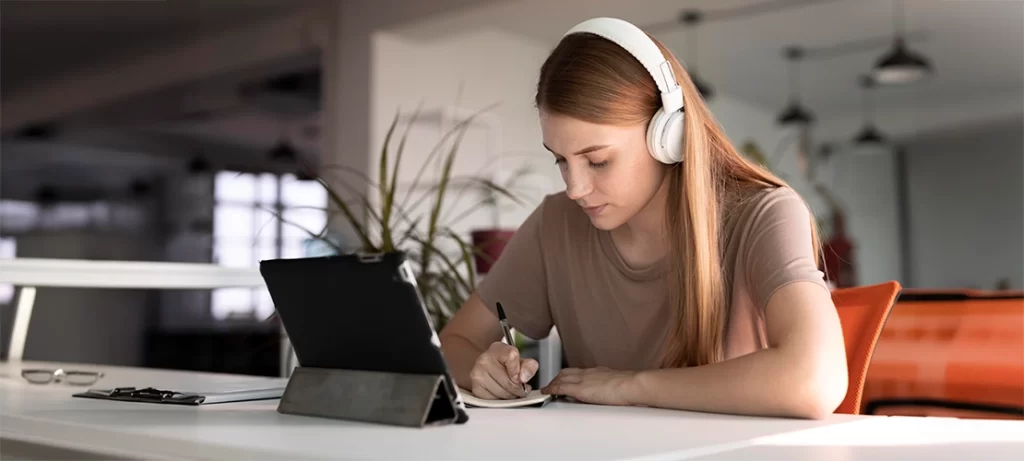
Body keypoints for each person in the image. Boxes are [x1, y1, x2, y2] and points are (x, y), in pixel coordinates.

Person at [438, 17, 848, 419]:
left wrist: (632, 386)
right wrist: (482, 368)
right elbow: (454, 342)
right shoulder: (556, 224)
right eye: (560, 159)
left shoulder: (763, 213)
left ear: (669, 136)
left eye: (597, 161)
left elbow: (816, 379)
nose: (575, 187)